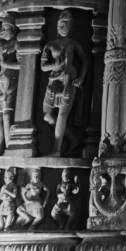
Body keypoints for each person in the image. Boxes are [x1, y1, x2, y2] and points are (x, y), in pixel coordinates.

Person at [40, 10, 87, 156]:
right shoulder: (49, 45)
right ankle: (72, 139)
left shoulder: (73, 44)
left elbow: (85, 61)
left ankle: (56, 150)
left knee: (62, 115)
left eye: (67, 24)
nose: (64, 27)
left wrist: (80, 78)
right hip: (54, 80)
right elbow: (43, 67)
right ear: (57, 26)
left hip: (69, 80)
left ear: (71, 27)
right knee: (47, 115)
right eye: (62, 24)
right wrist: (55, 65)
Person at [0, 16, 20, 156]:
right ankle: (0, 149)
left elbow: (22, 64)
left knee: (7, 115)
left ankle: (9, 147)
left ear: (13, 30)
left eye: (7, 28)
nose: (4, 31)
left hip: (10, 82)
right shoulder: (2, 47)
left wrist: (6, 65)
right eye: (3, 28)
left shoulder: (17, 45)